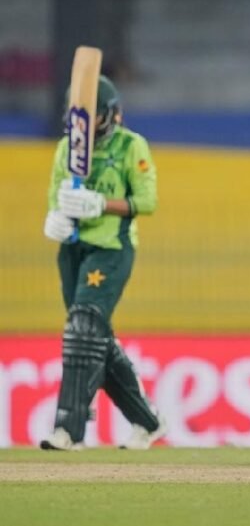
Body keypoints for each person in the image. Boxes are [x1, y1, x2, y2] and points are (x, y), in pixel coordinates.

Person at [41, 74, 166, 451]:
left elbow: (147, 201)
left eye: (93, 116)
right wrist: (56, 219)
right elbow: (55, 195)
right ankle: (148, 421)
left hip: (111, 247)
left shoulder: (131, 146)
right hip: (74, 249)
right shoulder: (66, 148)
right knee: (92, 337)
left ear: (110, 115)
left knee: (83, 328)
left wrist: (100, 204)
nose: (85, 125)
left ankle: (69, 429)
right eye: (80, 117)